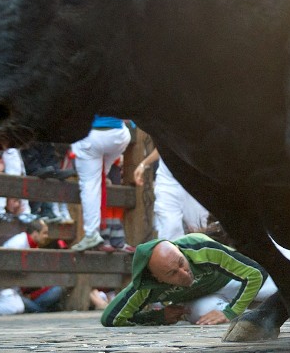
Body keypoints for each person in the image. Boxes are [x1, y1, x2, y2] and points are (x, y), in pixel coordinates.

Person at [100, 233, 266, 327]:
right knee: (202, 317)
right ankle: (251, 311)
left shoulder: (199, 246)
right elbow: (111, 317)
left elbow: (255, 273)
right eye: (172, 273)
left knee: (273, 290)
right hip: (203, 300)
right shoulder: (146, 286)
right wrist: (158, 317)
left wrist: (230, 312)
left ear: (179, 250)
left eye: (181, 263)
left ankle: (258, 308)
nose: (185, 273)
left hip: (231, 281)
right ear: (156, 278)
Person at [70, 116, 131, 251]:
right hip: (119, 136)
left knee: (90, 184)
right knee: (98, 177)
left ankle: (91, 233)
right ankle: (102, 172)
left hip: (92, 136)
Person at [133, 148, 208, 241]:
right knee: (170, 230)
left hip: (195, 182)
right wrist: (143, 164)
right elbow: (163, 144)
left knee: (198, 231)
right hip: (167, 182)